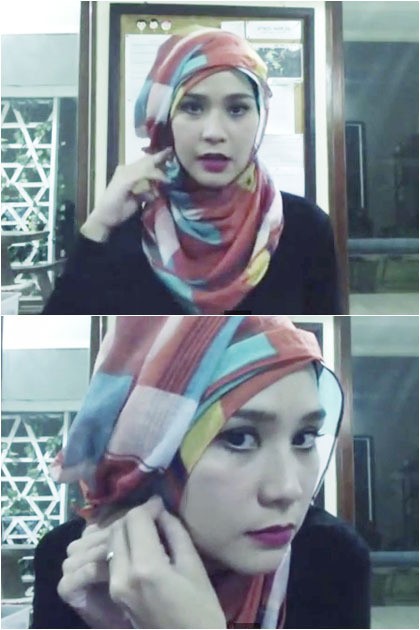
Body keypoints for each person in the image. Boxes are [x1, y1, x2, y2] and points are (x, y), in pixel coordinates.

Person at [31, 316, 369, 629]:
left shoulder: (330, 559)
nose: (287, 489)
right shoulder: (75, 565)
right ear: (153, 450)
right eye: (239, 438)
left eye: (304, 438)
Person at [44, 27, 342, 315]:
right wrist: (98, 225)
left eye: (237, 109)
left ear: (260, 117)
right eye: (192, 107)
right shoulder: (126, 229)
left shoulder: (305, 229)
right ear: (165, 121)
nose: (214, 133)